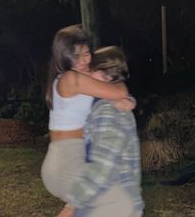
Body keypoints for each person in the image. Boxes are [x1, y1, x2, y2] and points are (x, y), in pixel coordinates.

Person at [41, 25, 135, 203]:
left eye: (86, 54)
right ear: (63, 57)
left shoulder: (82, 78)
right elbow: (119, 90)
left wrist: (126, 100)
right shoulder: (71, 79)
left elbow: (113, 92)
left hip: (68, 159)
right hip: (66, 162)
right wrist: (123, 96)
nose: (82, 61)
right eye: (75, 56)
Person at [57, 46, 144, 217]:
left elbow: (104, 168)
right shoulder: (105, 106)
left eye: (90, 71)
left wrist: (72, 205)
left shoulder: (108, 112)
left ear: (108, 77)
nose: (85, 76)